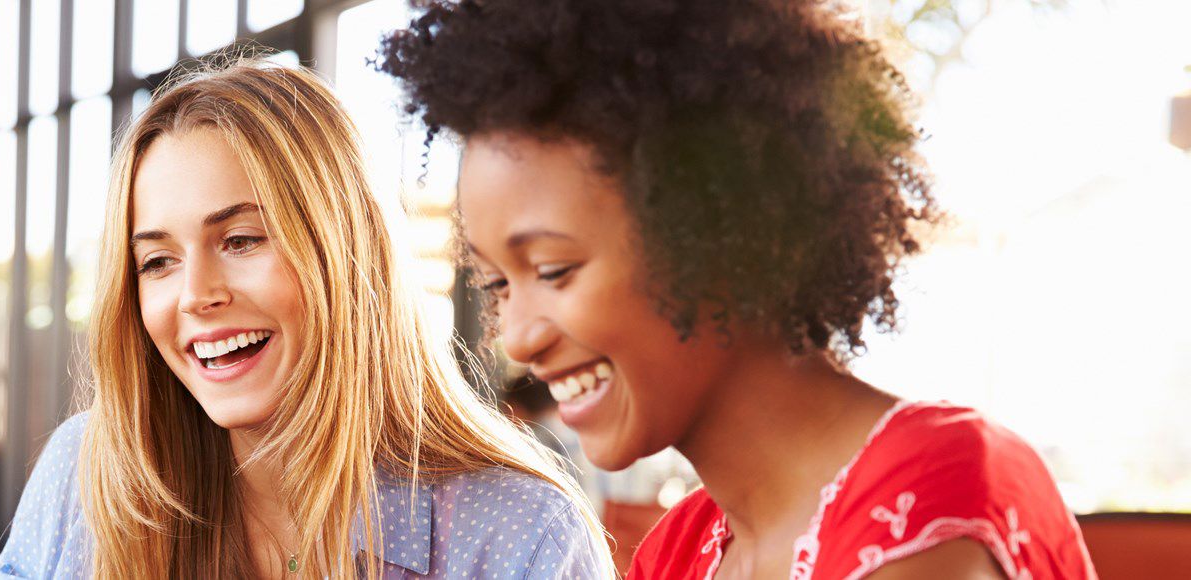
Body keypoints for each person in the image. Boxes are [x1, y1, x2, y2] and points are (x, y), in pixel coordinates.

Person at [378, 1, 1098, 578]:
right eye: (499, 283)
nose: (517, 335)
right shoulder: (680, 551)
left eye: (554, 271)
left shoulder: (929, 498)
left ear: (722, 222)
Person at [0, 58, 614, 579]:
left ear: (348, 252)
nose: (194, 295)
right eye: (157, 260)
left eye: (241, 240)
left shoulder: (522, 535)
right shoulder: (87, 472)